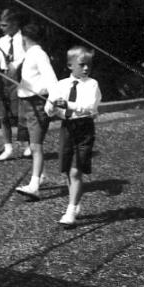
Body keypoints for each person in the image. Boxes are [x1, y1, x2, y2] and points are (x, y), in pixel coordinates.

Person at [46, 45, 102, 227]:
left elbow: (89, 106)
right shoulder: (61, 85)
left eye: (89, 65)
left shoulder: (92, 84)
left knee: (76, 171)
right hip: (67, 128)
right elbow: (49, 110)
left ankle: (70, 211)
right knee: (68, 171)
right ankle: (75, 202)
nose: (86, 68)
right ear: (70, 65)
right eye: (82, 64)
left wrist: (68, 104)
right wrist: (53, 105)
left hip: (84, 128)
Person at [13, 22, 60, 198]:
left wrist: (52, 100)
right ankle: (42, 175)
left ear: (24, 39)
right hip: (26, 103)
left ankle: (34, 186)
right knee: (30, 144)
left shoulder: (39, 55)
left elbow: (51, 78)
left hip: (37, 104)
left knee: (35, 145)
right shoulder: (30, 54)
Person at [0, 8, 29, 161]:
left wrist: (17, 65)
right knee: (4, 114)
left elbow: (27, 57)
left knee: (21, 114)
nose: (1, 28)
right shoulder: (2, 41)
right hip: (4, 79)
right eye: (0, 25)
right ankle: (8, 147)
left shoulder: (24, 40)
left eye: (4, 25)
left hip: (20, 79)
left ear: (14, 24)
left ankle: (28, 144)